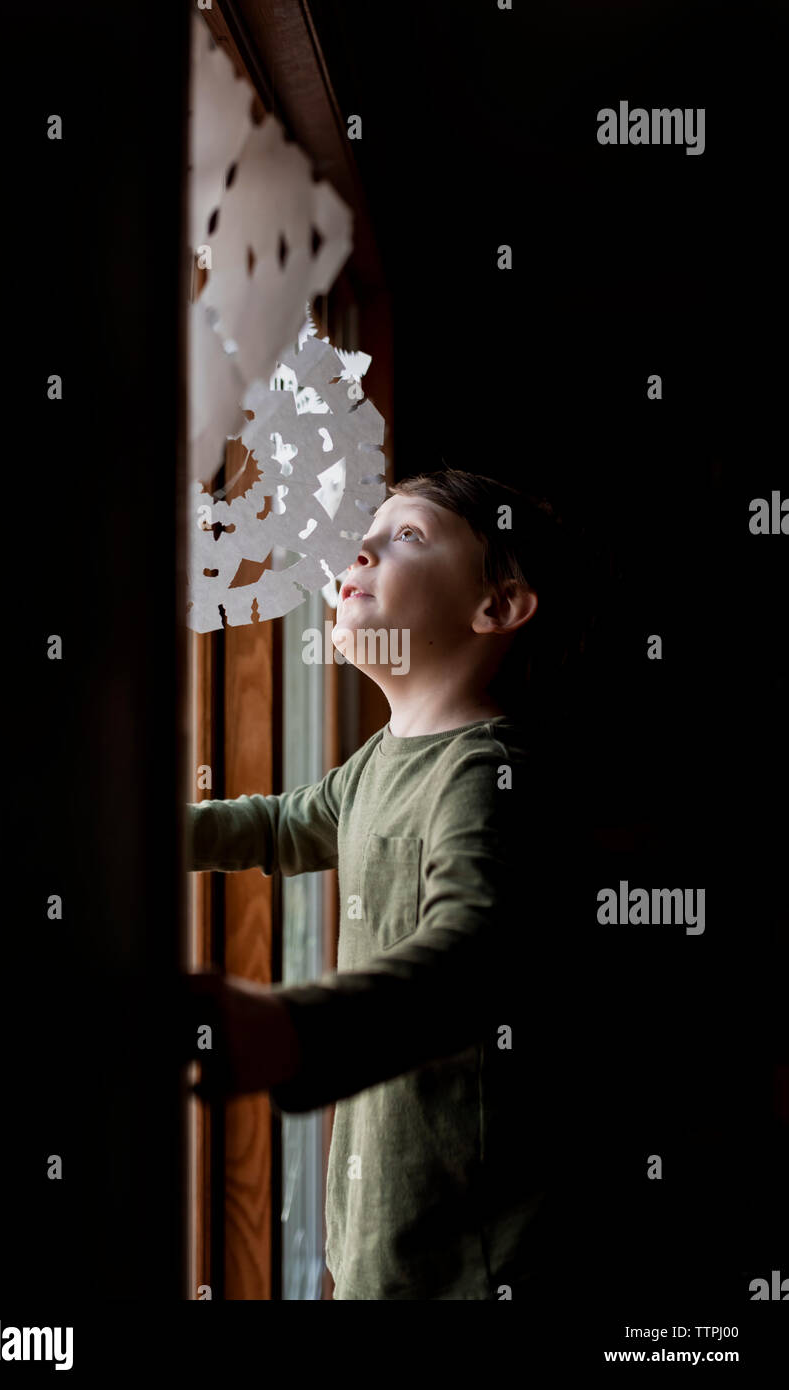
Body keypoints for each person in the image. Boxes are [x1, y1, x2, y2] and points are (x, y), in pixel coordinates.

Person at [183, 466, 585, 1300]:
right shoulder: (379, 762)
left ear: (498, 607)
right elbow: (277, 823)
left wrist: (291, 1028)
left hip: (469, 1258)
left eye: (405, 536)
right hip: (381, 1232)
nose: (356, 549)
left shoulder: (487, 771)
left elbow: (471, 955)